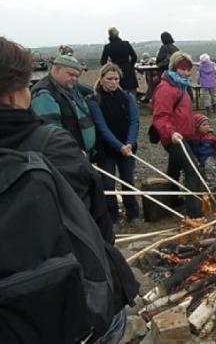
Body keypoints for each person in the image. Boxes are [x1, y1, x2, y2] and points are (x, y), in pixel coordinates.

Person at [0, 36, 137, 344]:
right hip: (69, 309)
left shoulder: (69, 92)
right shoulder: (48, 144)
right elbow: (92, 219)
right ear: (12, 96)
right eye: (25, 87)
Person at [87, 63, 140, 226]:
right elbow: (101, 126)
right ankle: (112, 216)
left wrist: (129, 143)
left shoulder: (127, 97)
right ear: (102, 79)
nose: (113, 82)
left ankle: (133, 214)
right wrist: (119, 146)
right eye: (110, 79)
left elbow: (134, 121)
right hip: (107, 149)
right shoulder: (94, 100)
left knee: (128, 180)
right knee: (108, 183)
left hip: (127, 147)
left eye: (116, 79)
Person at [152, 51, 203, 218]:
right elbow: (160, 116)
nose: (187, 72)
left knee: (174, 169)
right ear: (174, 68)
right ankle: (195, 213)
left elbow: (184, 113)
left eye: (189, 69)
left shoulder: (181, 86)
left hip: (184, 135)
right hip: (173, 138)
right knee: (192, 169)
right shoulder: (165, 89)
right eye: (183, 69)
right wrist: (171, 132)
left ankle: (174, 202)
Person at [31, 54, 97, 156]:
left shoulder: (69, 87)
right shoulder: (44, 94)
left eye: (77, 76)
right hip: (67, 158)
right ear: (57, 69)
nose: (74, 79)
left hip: (81, 155)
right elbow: (51, 131)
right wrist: (70, 151)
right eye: (71, 74)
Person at [192, 113, 216, 189]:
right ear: (197, 126)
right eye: (204, 125)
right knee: (191, 166)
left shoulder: (212, 137)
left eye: (208, 124)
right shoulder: (193, 137)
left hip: (209, 156)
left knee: (210, 166)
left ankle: (211, 184)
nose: (207, 127)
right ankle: (193, 184)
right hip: (197, 156)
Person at [100, 27, 138, 95]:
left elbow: (103, 62)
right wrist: (130, 65)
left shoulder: (108, 47)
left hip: (115, 72)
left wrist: (111, 68)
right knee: (131, 95)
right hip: (129, 71)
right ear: (118, 34)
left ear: (109, 35)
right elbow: (134, 57)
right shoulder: (126, 44)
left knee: (118, 95)